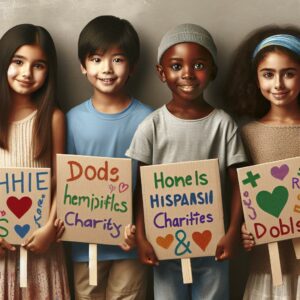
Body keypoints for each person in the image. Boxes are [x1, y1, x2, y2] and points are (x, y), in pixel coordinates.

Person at [126, 23, 247, 300]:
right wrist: (142, 236)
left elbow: (239, 183)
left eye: (199, 65)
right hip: (164, 248)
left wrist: (232, 232)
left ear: (212, 71)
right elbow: (141, 188)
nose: (187, 74)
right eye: (176, 66)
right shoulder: (152, 126)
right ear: (161, 72)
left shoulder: (223, 125)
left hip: (213, 247)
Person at [66, 15, 153, 299]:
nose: (106, 69)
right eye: (96, 59)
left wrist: (139, 230)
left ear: (132, 66)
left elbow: (152, 185)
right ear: (83, 65)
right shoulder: (72, 120)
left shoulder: (148, 119)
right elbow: (63, 182)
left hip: (130, 245)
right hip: (84, 245)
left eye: (117, 59)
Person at [226, 25, 300, 299]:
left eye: (289, 74)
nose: (278, 84)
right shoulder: (247, 135)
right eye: (268, 74)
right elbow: (246, 198)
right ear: (255, 79)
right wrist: (246, 229)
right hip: (269, 270)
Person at [0, 24, 70, 299]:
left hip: (42, 247)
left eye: (38, 65)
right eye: (18, 62)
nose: (27, 73)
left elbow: (60, 178)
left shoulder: (52, 118)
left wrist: (50, 229)